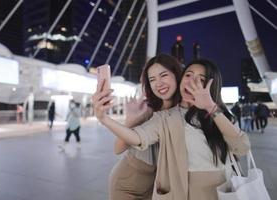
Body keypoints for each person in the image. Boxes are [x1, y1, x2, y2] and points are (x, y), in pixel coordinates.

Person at [92, 59, 250, 200]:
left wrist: (211, 107)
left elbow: (242, 148)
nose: (192, 82)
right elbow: (132, 140)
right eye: (188, 75)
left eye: (200, 79)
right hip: (136, 183)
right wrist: (107, 118)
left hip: (212, 190)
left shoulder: (219, 115)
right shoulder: (158, 114)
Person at [109, 54, 182, 200]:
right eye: (152, 79)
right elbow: (117, 149)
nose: (158, 83)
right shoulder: (147, 109)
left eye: (163, 75)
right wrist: (130, 120)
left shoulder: (183, 112)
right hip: (126, 185)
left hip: (155, 187)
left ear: (176, 75)